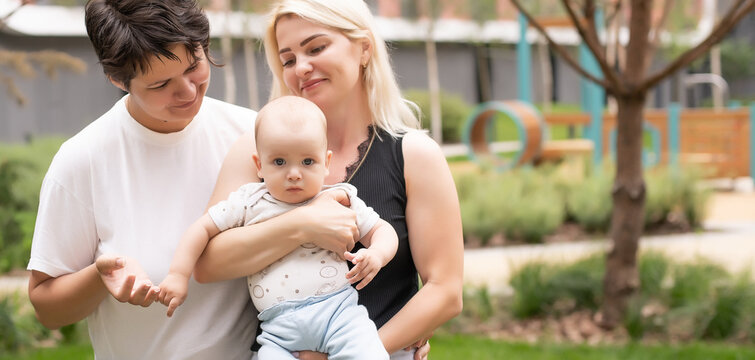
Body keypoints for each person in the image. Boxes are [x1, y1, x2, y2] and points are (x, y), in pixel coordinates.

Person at [192, 1, 464, 359]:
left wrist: (354, 352)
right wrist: (303, 224)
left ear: (364, 49)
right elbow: (208, 262)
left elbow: (445, 290)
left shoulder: (414, 155)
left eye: (316, 48)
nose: (301, 68)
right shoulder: (253, 152)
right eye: (288, 59)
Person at [26, 0, 257, 358]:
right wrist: (98, 277)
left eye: (194, 65)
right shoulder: (82, 160)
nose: (188, 91)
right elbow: (47, 308)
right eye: (162, 83)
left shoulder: (252, 134)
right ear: (118, 79)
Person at [158, 96, 397, 359]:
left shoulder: (339, 199)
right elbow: (201, 228)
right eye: (280, 162)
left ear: (326, 162)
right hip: (278, 330)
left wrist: (377, 254)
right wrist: (178, 274)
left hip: (339, 315)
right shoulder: (249, 202)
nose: (294, 173)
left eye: (307, 162)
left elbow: (382, 230)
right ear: (259, 165)